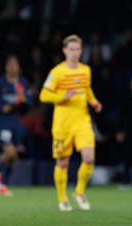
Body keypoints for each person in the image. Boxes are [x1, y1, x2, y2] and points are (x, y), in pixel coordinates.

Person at [39, 35, 102, 212]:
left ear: (81, 51)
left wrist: (94, 101)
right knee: (62, 163)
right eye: (71, 49)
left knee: (89, 157)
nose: (75, 53)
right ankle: (62, 199)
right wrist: (62, 96)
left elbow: (87, 89)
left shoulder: (85, 70)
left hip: (82, 121)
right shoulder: (57, 72)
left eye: (77, 49)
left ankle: (79, 192)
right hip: (62, 124)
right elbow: (43, 95)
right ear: (65, 50)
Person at [0, 55, 31, 186]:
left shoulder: (22, 83)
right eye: (10, 64)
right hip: (4, 123)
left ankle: (2, 184)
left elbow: (30, 103)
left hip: (17, 124)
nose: (12, 67)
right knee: (10, 153)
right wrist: (1, 107)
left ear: (19, 67)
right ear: (6, 67)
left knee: (13, 158)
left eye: (15, 64)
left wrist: (24, 101)